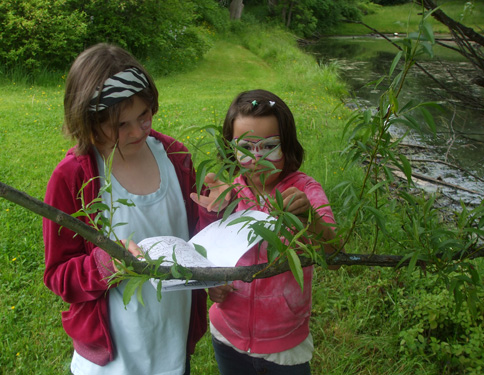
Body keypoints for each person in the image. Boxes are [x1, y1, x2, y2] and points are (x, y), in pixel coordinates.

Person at [43, 43, 214, 375]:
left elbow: (195, 238)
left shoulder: (175, 157)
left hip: (172, 343)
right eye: (120, 125)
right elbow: (58, 276)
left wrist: (213, 212)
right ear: (89, 123)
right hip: (114, 360)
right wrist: (107, 262)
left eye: (144, 115)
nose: (137, 131)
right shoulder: (73, 177)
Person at [191, 89, 341, 375]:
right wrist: (214, 284)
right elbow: (212, 254)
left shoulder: (304, 192)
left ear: (287, 143)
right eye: (246, 147)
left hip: (284, 346)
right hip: (227, 335)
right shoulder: (230, 192)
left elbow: (333, 256)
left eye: (270, 146)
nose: (257, 159)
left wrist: (309, 218)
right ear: (230, 147)